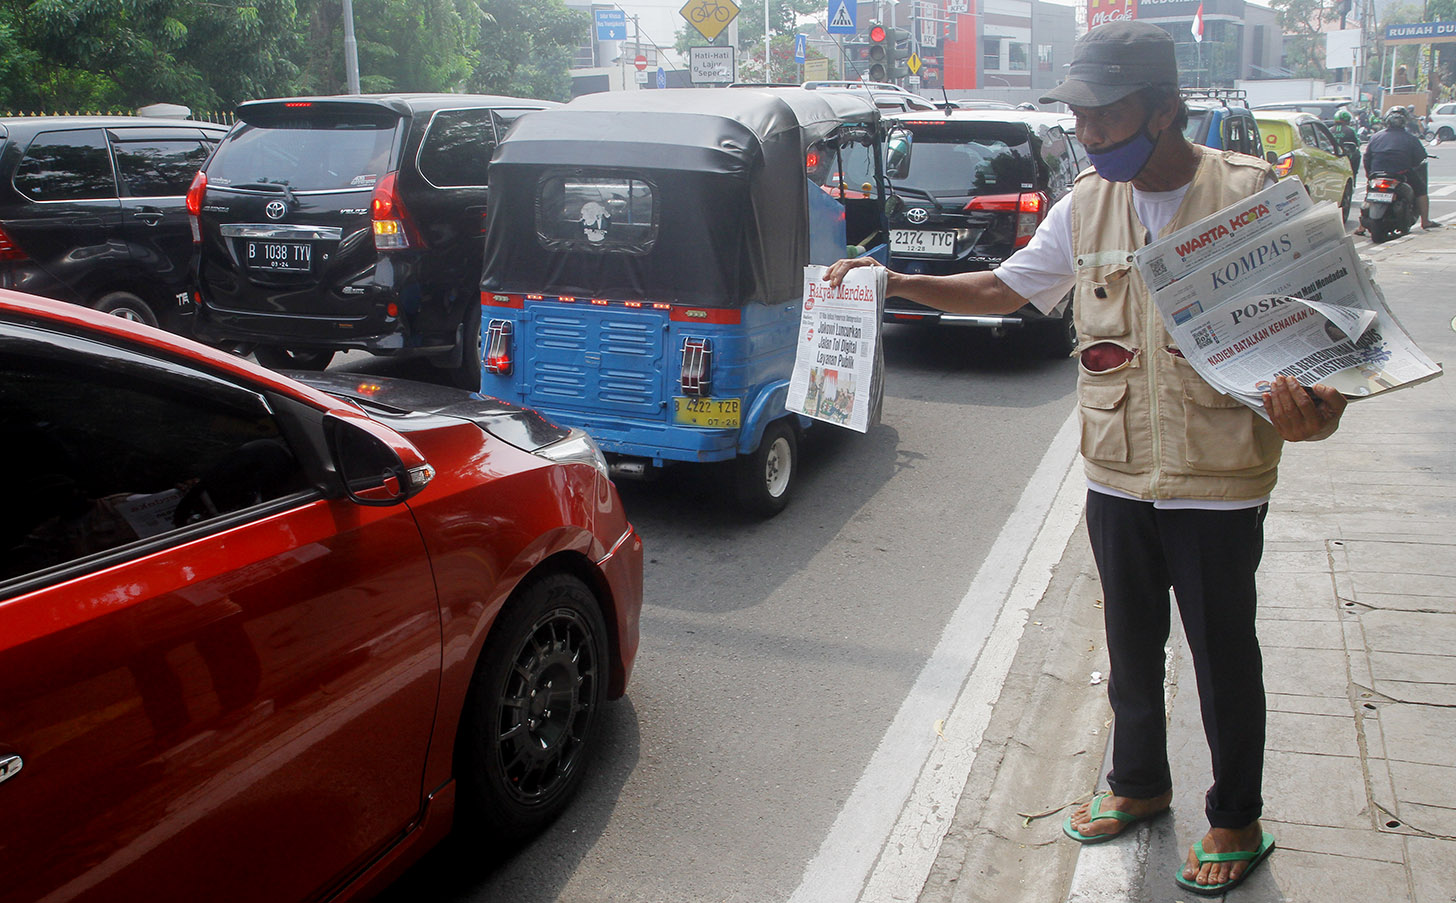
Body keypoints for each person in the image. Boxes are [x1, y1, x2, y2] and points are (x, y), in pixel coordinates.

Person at [823, 20, 1347, 897]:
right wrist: (896, 281)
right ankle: (1138, 784)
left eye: (1107, 116)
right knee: (1131, 645)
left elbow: (1325, 354)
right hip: (1116, 470)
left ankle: (1236, 816)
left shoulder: (1254, 199)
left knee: (1224, 654)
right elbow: (1004, 286)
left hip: (1218, 480)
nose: (1091, 134)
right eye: (1080, 118)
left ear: (1167, 108)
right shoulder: (1083, 206)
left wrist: (1314, 417)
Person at [1362, 108, 1441, 232]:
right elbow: (1419, 158)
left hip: (1377, 175)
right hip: (1401, 174)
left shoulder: (1375, 137)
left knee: (1369, 194)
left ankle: (1361, 226)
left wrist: (1370, 175)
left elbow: (1367, 158)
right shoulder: (1411, 138)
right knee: (1421, 191)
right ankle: (1425, 221)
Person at [1329, 109, 1361, 176]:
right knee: (1358, 154)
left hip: (1332, 154)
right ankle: (1354, 174)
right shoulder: (1350, 130)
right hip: (1347, 156)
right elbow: (1357, 142)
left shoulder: (1330, 130)